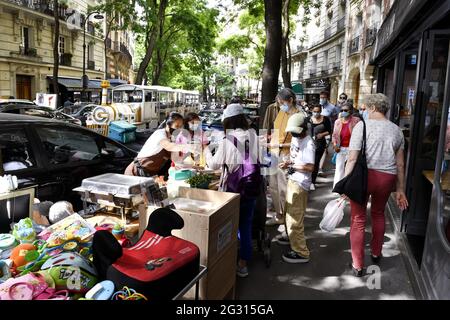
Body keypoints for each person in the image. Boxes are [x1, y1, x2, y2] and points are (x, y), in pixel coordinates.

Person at [344, 93, 408, 276]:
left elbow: (352, 158)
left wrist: (346, 182)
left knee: (358, 219)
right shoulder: (397, 130)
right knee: (379, 213)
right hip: (387, 178)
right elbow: (401, 164)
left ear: (372, 108)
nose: (364, 111)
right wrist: (400, 189)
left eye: (365, 108)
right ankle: (376, 252)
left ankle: (357, 265)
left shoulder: (361, 126)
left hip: (364, 177)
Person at [204, 103, 259, 277]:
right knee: (246, 225)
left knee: (228, 226)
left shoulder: (227, 141)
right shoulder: (253, 135)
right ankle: (243, 264)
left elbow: (213, 165)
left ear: (228, 121)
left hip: (233, 190)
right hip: (251, 187)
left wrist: (206, 149)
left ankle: (226, 261)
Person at [277, 113, 315, 263]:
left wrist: (290, 165)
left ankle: (301, 252)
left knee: (294, 218)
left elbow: (310, 167)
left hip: (300, 183)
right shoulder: (296, 137)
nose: (293, 134)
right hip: (293, 179)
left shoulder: (308, 143)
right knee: (289, 212)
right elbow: (294, 154)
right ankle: (291, 238)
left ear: (304, 128)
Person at [125, 112, 198, 178]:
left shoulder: (172, 139)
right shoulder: (160, 134)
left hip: (150, 174)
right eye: (177, 126)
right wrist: (187, 147)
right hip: (135, 173)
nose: (178, 129)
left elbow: (176, 160)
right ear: (167, 125)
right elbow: (169, 146)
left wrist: (192, 167)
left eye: (180, 127)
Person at [265, 88, 299, 226]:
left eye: (282, 102)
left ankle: (287, 218)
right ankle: (279, 215)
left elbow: (299, 142)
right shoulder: (281, 112)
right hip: (274, 153)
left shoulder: (297, 116)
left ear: (290, 100)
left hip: (286, 155)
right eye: (278, 103)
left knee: (284, 188)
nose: (280, 105)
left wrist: (281, 144)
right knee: (273, 187)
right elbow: (275, 131)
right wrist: (270, 139)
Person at [332, 102, 361, 188]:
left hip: (352, 148)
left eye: (346, 110)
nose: (343, 112)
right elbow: (334, 135)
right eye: (342, 110)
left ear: (351, 111)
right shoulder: (337, 122)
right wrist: (334, 145)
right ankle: (337, 187)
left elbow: (359, 134)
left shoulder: (356, 121)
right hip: (340, 148)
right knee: (339, 168)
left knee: (350, 169)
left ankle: (348, 188)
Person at [309, 104, 332, 190]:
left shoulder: (325, 119)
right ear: (312, 111)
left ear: (321, 111)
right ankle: (308, 180)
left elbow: (329, 131)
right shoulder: (308, 119)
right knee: (309, 162)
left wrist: (322, 134)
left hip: (320, 144)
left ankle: (312, 182)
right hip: (309, 144)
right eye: (314, 111)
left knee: (315, 162)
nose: (316, 113)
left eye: (318, 111)